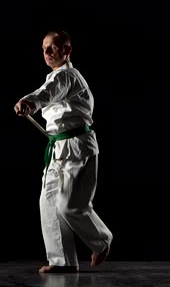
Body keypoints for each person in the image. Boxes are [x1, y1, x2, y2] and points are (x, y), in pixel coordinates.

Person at [14, 30, 113, 274]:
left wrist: (30, 102)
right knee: (48, 204)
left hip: (77, 146)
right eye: (44, 48)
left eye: (53, 48)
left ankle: (101, 241)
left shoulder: (68, 76)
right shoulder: (54, 77)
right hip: (58, 147)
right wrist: (31, 103)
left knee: (69, 205)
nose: (47, 53)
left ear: (66, 50)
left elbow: (47, 94)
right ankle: (62, 261)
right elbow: (48, 92)